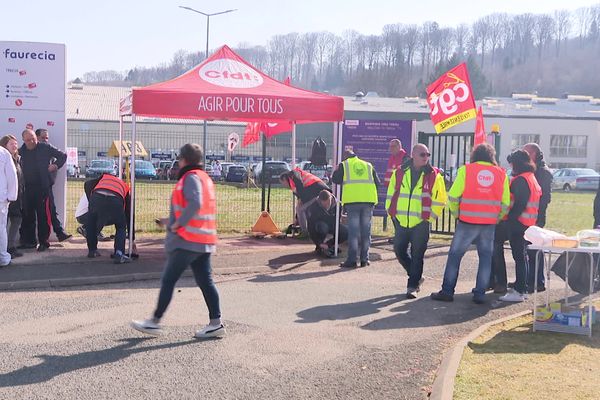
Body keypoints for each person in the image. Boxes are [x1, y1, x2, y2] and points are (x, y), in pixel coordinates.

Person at [131, 143, 225, 339]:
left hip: (187, 240)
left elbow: (195, 203)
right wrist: (169, 221)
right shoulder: (204, 178)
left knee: (169, 279)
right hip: (203, 239)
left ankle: (154, 322)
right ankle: (216, 323)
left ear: (183, 160)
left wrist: (177, 225)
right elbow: (197, 206)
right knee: (205, 281)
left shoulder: (190, 178)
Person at [431, 143, 510, 304]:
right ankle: (480, 294)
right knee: (485, 258)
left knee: (455, 256)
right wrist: (497, 217)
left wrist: (456, 213)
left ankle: (447, 291)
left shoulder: (466, 170)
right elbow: (505, 203)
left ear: (474, 155)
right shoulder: (501, 174)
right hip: (488, 224)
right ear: (492, 156)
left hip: (467, 221)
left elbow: (452, 196)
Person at [386, 144, 447, 298]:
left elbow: (440, 200)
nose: (426, 157)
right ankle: (417, 276)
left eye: (428, 154)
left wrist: (429, 217)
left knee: (418, 254)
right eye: (422, 154)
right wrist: (392, 213)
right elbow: (391, 193)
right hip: (401, 221)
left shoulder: (434, 175)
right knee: (399, 251)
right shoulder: (399, 172)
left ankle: (412, 286)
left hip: (421, 223)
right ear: (413, 154)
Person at [495, 150, 542, 302]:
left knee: (519, 257)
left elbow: (519, 204)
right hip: (527, 223)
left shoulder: (521, 180)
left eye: (512, 164)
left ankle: (519, 290)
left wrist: (509, 220)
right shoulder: (531, 178)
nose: (511, 167)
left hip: (518, 224)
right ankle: (522, 288)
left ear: (516, 163)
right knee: (522, 257)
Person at [18, 129, 67, 251]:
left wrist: (55, 165)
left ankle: (44, 242)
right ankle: (29, 242)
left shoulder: (45, 147)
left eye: (33, 138)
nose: (32, 141)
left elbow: (62, 156)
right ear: (24, 140)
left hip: (43, 188)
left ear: (36, 137)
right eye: (28, 140)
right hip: (26, 189)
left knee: (43, 216)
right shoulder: (20, 152)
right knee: (27, 216)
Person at [331, 149, 380, 268]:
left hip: (353, 202)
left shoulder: (344, 165)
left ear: (345, 157)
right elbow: (377, 182)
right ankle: (364, 259)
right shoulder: (368, 165)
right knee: (366, 231)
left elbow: (335, 180)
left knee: (353, 232)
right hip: (368, 201)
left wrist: (337, 169)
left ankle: (352, 260)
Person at [523, 142, 552, 293]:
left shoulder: (543, 172)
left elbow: (545, 198)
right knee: (527, 249)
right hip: (529, 216)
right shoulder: (533, 170)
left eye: (525, 152)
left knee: (535, 249)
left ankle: (538, 282)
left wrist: (536, 216)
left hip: (536, 218)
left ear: (533, 154)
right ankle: (526, 278)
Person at [84, 173, 133, 263]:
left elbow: (87, 184)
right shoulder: (125, 186)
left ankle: (92, 251)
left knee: (91, 223)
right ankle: (119, 253)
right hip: (116, 198)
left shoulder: (104, 177)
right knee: (121, 226)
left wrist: (90, 200)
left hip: (97, 196)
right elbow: (128, 213)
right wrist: (132, 236)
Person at [35, 129, 72, 242]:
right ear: (36, 138)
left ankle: (58, 233)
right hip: (32, 186)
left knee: (50, 209)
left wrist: (55, 165)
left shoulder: (48, 148)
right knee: (39, 213)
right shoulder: (29, 149)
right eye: (43, 138)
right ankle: (30, 239)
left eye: (47, 138)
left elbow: (62, 156)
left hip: (46, 185)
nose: (45, 140)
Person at [279, 167, 331, 234]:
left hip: (318, 191)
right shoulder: (293, 184)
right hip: (315, 191)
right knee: (301, 209)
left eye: (282, 183)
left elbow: (299, 184)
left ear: (284, 179)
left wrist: (301, 200)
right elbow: (300, 199)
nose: (283, 185)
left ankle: (305, 232)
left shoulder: (293, 174)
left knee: (301, 209)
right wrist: (297, 218)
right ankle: (307, 230)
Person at [0, 135, 24, 258]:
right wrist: (10, 195)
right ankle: (7, 249)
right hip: (7, 197)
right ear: (4, 146)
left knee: (16, 220)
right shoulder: (5, 158)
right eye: (11, 144)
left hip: (16, 197)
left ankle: (10, 246)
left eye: (16, 143)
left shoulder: (17, 159)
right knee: (4, 224)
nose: (15, 146)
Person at [307, 190, 348, 257]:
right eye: (324, 204)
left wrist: (329, 243)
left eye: (328, 203)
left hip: (332, 224)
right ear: (320, 201)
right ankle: (320, 246)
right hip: (320, 226)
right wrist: (318, 243)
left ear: (331, 198)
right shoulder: (314, 206)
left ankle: (328, 245)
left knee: (346, 231)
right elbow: (311, 226)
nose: (326, 206)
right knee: (323, 227)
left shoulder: (338, 205)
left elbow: (337, 222)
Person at [385, 139, 408, 244]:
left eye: (393, 146)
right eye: (390, 146)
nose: (391, 149)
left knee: (398, 214)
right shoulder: (392, 158)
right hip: (392, 190)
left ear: (399, 147)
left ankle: (401, 237)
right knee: (392, 213)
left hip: (400, 191)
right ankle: (399, 235)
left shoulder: (405, 158)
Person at [0, 143, 18, 267]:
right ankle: (3, 257)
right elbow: (12, 175)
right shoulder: (3, 153)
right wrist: (11, 196)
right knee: (1, 229)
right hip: (1, 198)